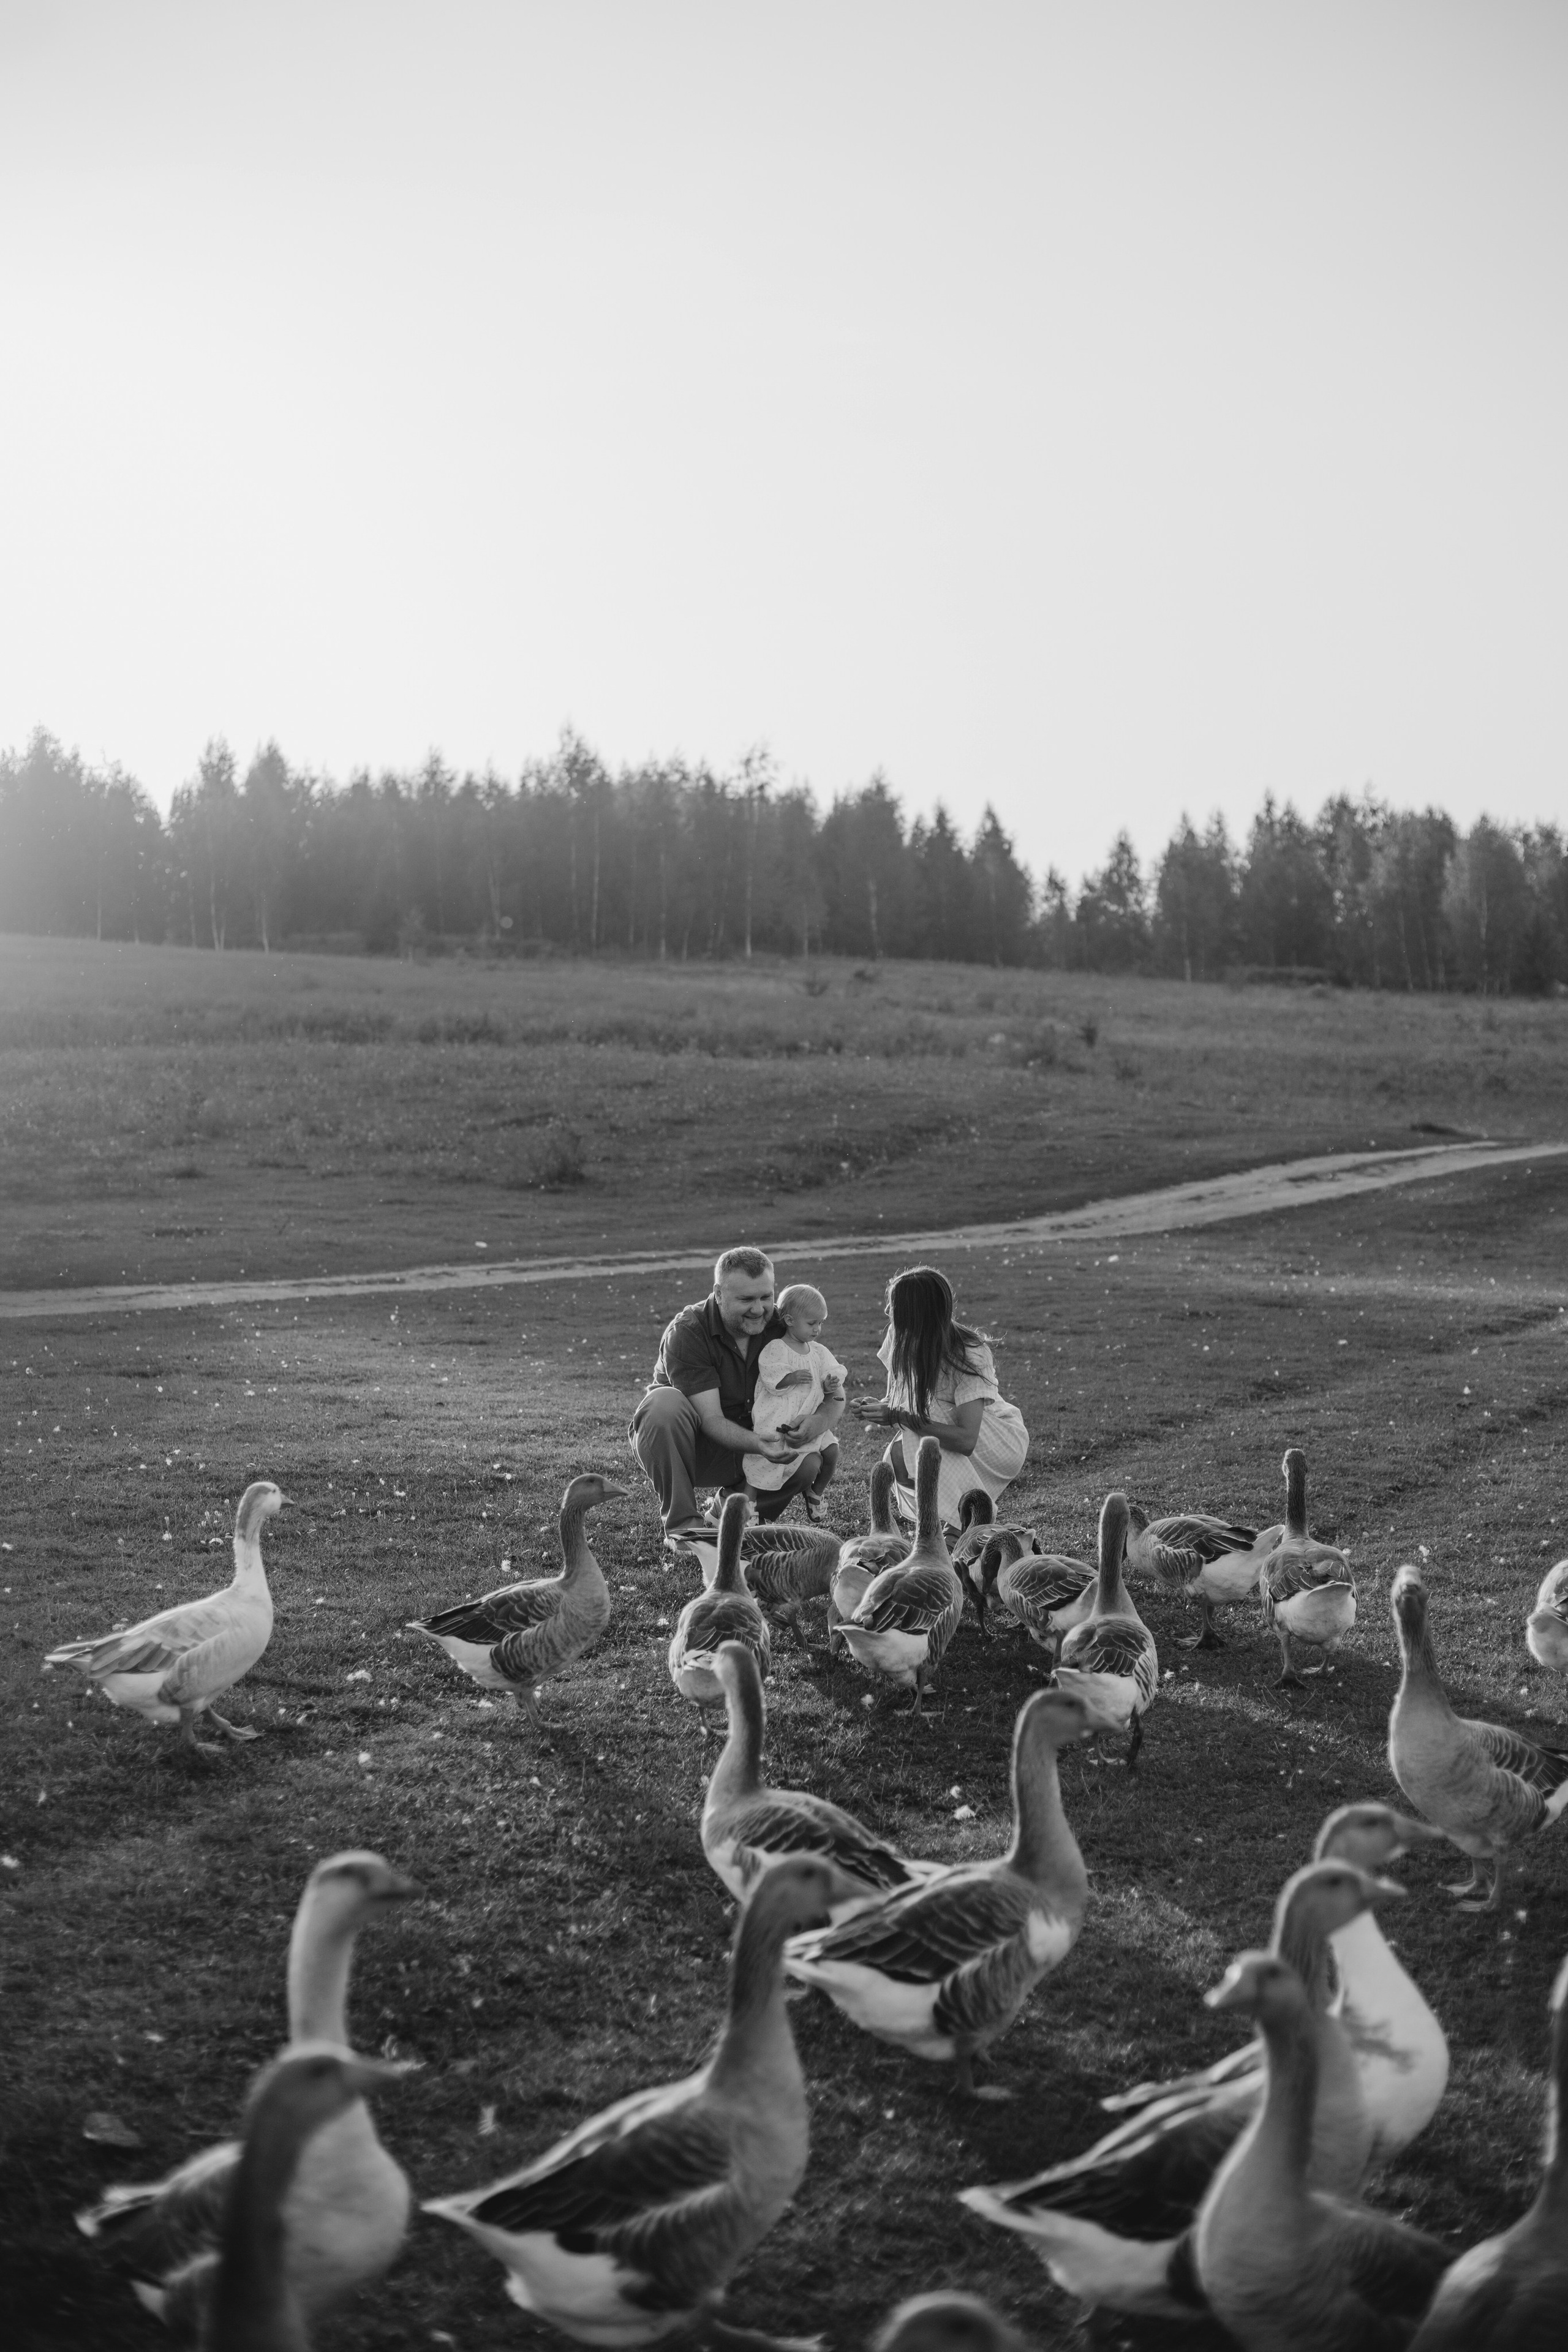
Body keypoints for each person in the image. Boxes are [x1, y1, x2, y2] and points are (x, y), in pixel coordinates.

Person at [631, 1248, 845, 1540]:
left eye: (766, 1297)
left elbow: (835, 1394)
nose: (758, 1309)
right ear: (719, 1293)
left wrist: (817, 1423)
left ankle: (731, 1509)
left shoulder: (783, 1323)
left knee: (810, 1464)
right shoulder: (689, 1332)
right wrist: (760, 1444)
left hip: (758, 1439)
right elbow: (710, 1419)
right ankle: (684, 1527)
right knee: (662, 1404)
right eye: (746, 1299)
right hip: (696, 1447)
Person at [854, 1264, 1028, 1529]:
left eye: (896, 1307)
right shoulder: (900, 1337)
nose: (888, 1312)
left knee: (923, 1428)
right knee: (898, 1459)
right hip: (944, 1423)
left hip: (997, 1440)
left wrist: (900, 1416)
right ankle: (943, 1523)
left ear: (917, 1314)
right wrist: (878, 1408)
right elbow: (901, 1400)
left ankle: (966, 1523)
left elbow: (967, 1439)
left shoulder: (970, 1352)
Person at [742, 1284, 846, 1524]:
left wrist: (830, 1383)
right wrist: (791, 1378)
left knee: (832, 1451)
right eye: (812, 1324)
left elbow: (831, 1376)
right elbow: (770, 1379)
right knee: (762, 1461)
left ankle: (815, 1493)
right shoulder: (776, 1348)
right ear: (789, 1320)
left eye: (821, 1323)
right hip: (779, 1416)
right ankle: (748, 1504)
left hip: (808, 1416)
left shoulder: (818, 1351)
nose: (818, 1329)